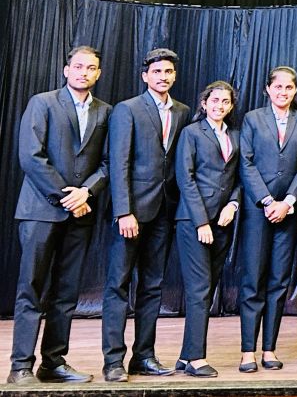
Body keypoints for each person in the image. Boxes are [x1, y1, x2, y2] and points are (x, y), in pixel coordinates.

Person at [8, 46, 111, 385]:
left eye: (91, 68)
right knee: (31, 288)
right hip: (41, 210)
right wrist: (67, 197)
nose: (84, 72)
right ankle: (20, 367)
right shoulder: (43, 102)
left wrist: (88, 192)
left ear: (98, 73)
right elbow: (31, 156)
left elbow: (108, 163)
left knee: (66, 293)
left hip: (81, 214)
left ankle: (53, 363)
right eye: (78, 66)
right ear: (66, 70)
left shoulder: (105, 111)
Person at [102, 48, 190, 383]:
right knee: (118, 285)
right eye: (157, 72)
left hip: (165, 210)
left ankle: (144, 356)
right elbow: (119, 162)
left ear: (174, 76)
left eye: (168, 72)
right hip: (132, 212)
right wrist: (123, 211)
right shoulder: (128, 109)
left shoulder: (182, 111)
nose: (163, 77)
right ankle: (113, 361)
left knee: (153, 286)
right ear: (145, 76)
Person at [238, 66, 297, 372]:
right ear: (268, 89)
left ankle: (269, 349)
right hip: (259, 210)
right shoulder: (252, 118)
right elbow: (246, 162)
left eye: (289, 87)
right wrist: (269, 201)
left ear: (295, 91)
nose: (283, 92)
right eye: (278, 87)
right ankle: (248, 351)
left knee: (279, 282)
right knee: (253, 281)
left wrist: (288, 202)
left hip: (289, 212)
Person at [173, 81, 241, 378]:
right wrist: (201, 222)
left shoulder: (235, 135)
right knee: (199, 288)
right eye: (214, 101)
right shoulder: (191, 133)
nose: (219, 106)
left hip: (223, 221)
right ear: (204, 103)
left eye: (225, 102)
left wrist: (233, 205)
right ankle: (196, 359)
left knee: (207, 288)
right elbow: (185, 178)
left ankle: (185, 354)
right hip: (193, 221)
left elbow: (239, 177)